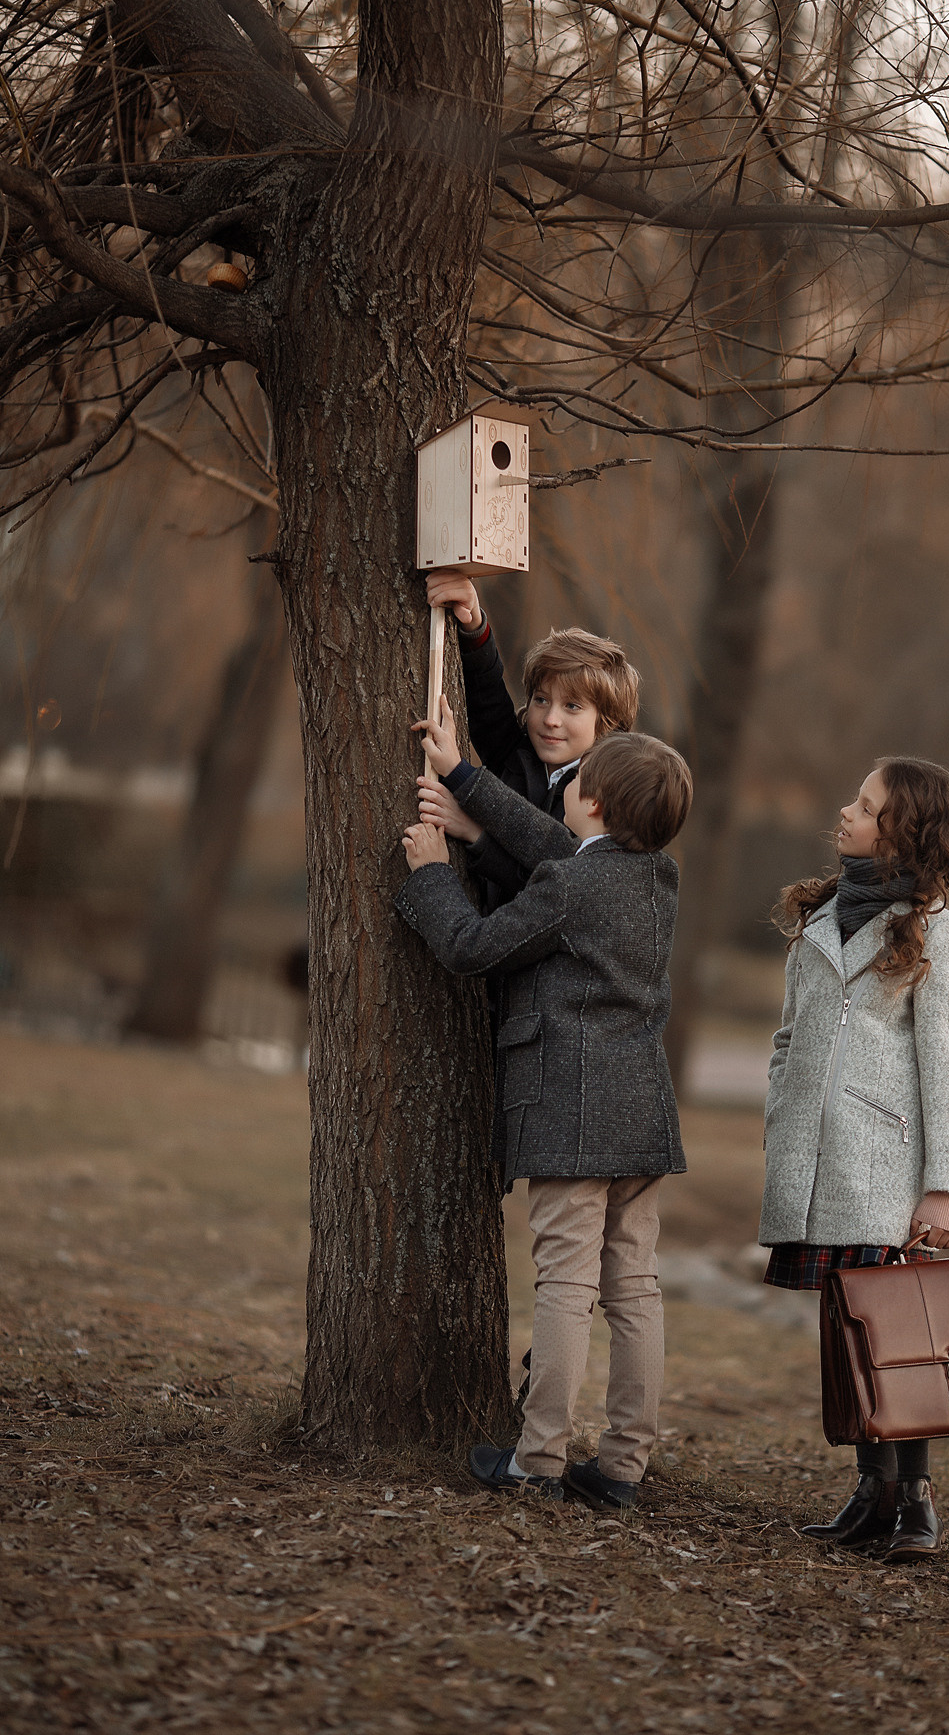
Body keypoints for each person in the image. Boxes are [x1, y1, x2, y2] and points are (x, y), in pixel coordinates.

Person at [397, 710, 693, 1509]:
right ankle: (626, 1464)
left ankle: (539, 1459)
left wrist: (431, 871)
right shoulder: (657, 879)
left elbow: (469, 947)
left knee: (564, 1284)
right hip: (641, 1112)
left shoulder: (571, 886)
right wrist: (464, 778)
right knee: (634, 1289)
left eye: (575, 787)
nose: (562, 793)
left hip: (571, 1108)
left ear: (592, 804)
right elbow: (551, 842)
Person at [760, 757, 949, 1562]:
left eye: (865, 805)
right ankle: (870, 1489)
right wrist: (784, 1102)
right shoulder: (817, 923)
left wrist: (947, 1188)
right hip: (815, 1159)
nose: (844, 812)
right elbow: (788, 1038)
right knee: (847, 1330)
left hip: (886, 1163)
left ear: (902, 832)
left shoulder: (937, 934)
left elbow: (944, 1067)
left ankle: (915, 1500)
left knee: (898, 1334)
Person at [421, 569, 639, 910]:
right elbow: (488, 700)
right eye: (541, 700)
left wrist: (475, 833)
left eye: (571, 706)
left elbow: (551, 882)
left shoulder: (600, 804)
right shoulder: (518, 755)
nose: (551, 719)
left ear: (606, 723)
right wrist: (473, 624)